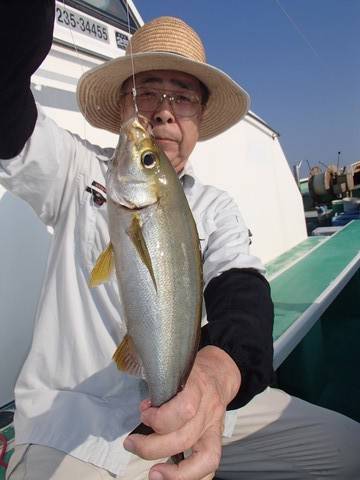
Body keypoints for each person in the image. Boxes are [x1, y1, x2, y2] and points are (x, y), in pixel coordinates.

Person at [1, 3, 359, 480]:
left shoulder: (217, 206)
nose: (164, 111)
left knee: (345, 449)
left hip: (194, 402)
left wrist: (213, 378)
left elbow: (242, 292)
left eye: (182, 97)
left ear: (200, 116)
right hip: (73, 427)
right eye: (145, 91)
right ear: (122, 108)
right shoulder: (73, 171)